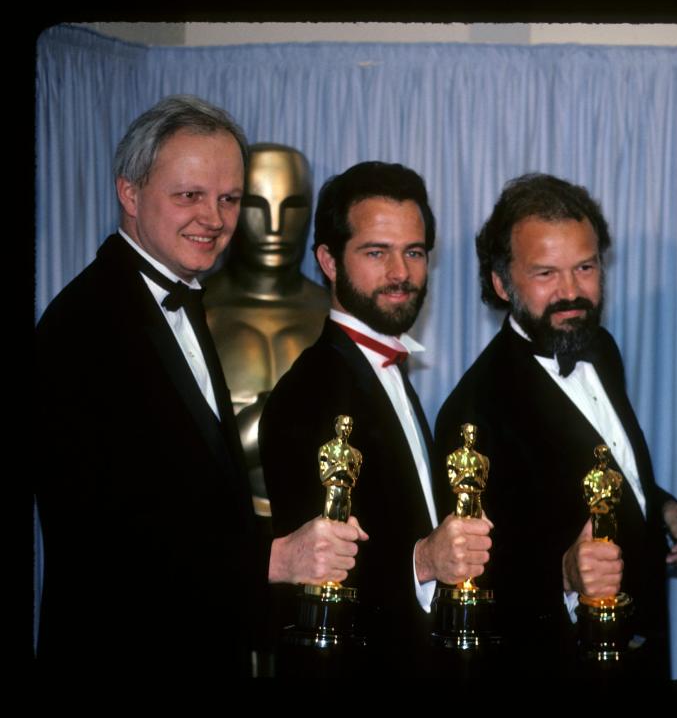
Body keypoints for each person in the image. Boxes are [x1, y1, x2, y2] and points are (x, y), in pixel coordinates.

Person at [34, 95, 364, 676]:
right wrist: (271, 558)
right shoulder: (79, 326)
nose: (214, 218)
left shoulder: (185, 297)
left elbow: (204, 494)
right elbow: (100, 539)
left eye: (229, 198)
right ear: (129, 193)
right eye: (189, 195)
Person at [433, 173, 677, 679]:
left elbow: (599, 464)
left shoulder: (598, 346)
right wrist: (561, 574)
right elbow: (473, 583)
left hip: (641, 660)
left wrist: (660, 504)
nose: (571, 292)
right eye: (545, 274)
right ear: (500, 283)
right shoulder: (472, 411)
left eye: (585, 267)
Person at [259, 161, 492, 665]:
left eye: (414, 252)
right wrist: (424, 561)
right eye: (375, 252)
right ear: (328, 260)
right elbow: (314, 576)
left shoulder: (386, 370)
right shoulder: (309, 391)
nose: (400, 274)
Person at [204, 143, 330, 519]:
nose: (275, 226)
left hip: (324, 529)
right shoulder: (194, 312)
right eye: (256, 206)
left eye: (292, 207)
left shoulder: (339, 316)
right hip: (219, 528)